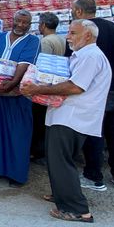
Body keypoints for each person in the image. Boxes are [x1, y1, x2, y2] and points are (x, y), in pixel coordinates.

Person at [20, 20, 111, 223]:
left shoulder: (91, 56)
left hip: (73, 116)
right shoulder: (84, 55)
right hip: (67, 115)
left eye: (73, 33)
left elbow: (75, 87)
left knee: (61, 161)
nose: (68, 37)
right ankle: (62, 194)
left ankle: (77, 209)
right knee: (57, 159)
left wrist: (37, 89)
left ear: (88, 35)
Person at [71, 0, 114, 192]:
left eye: (73, 10)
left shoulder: (83, 31)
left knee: (94, 131)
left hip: (98, 88)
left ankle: (94, 176)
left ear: (79, 12)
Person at [0, 10, 40, 186]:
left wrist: (13, 82)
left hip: (15, 95)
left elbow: (25, 64)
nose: (21, 25)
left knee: (16, 133)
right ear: (11, 21)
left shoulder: (33, 41)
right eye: (18, 21)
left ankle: (15, 173)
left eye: (25, 23)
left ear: (30, 25)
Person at [30, 12, 66, 160]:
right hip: (57, 83)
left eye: (39, 23)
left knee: (38, 119)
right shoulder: (61, 39)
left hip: (46, 85)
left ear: (43, 25)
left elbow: (43, 66)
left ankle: (38, 151)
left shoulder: (45, 42)